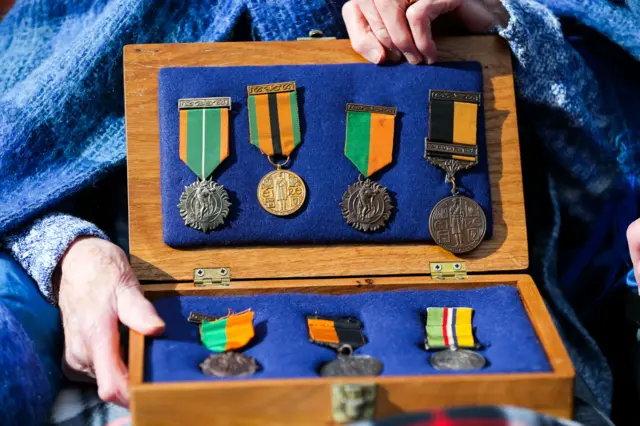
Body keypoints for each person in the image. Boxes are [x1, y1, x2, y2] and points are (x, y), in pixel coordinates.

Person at [0, 0, 638, 424]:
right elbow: (18, 160)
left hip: (475, 295)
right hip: (131, 303)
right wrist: (65, 250)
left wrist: (498, 16)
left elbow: (608, 160)